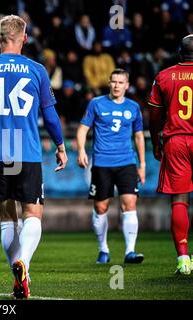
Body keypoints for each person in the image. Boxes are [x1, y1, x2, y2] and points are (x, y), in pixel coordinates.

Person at [0, 15, 67, 299]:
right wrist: (60, 145)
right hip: (28, 152)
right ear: (25, 38)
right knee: (33, 213)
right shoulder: (37, 69)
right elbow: (51, 116)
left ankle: (20, 279)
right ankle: (25, 265)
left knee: (8, 218)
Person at [76, 68, 146, 265]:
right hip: (102, 163)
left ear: (127, 85)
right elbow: (82, 129)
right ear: (109, 83)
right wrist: (81, 150)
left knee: (129, 204)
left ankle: (130, 251)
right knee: (101, 207)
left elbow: (139, 136)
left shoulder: (133, 107)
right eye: (114, 82)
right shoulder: (96, 104)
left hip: (126, 163)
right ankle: (103, 250)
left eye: (120, 82)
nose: (116, 85)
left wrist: (141, 164)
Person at [148, 34, 193, 275]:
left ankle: (183, 259)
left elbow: (154, 117)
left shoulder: (164, 76)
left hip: (176, 141)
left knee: (179, 200)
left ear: (179, 53)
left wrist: (156, 143)